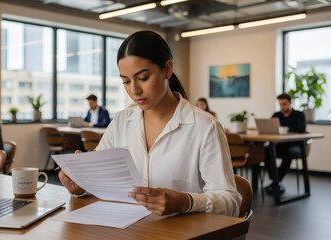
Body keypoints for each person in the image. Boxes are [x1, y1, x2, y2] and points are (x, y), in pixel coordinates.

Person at [59, 31, 241, 217]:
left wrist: (185, 201)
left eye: (143, 78)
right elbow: (101, 181)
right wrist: (81, 185)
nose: (134, 90)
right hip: (126, 229)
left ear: (167, 69)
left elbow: (231, 202)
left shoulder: (205, 126)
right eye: (126, 82)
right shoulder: (121, 121)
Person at [265, 93, 306, 194]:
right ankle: (276, 181)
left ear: (290, 103)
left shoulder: (299, 115)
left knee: (289, 153)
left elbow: (301, 128)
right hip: (280, 144)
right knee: (266, 151)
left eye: (284, 104)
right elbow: (271, 127)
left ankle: (276, 181)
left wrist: (285, 128)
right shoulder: (276, 115)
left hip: (296, 145)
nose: (282, 106)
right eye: (280, 104)